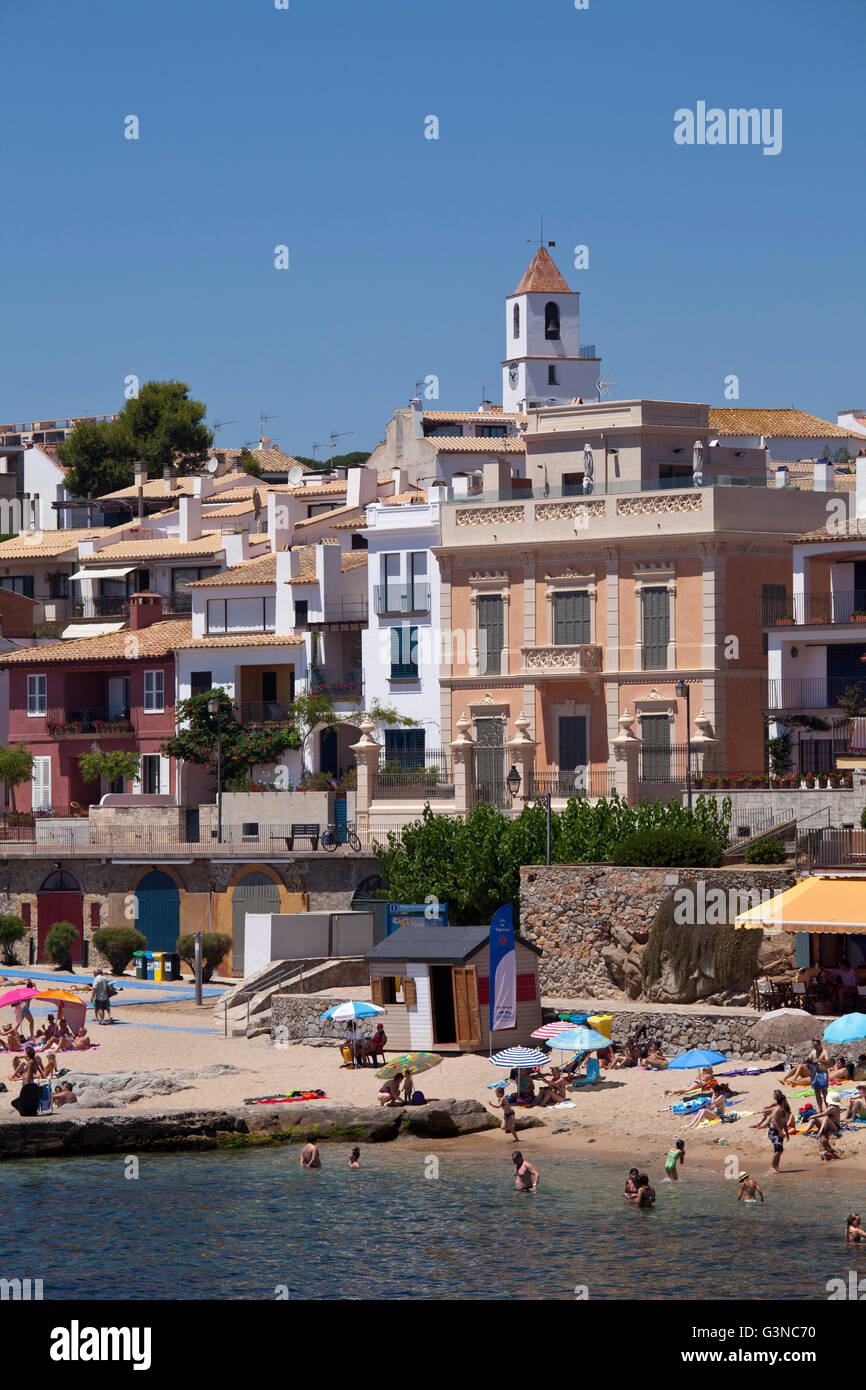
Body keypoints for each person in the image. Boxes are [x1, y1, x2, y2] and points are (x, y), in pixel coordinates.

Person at [807, 1039, 830, 1114]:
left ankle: (827, 1108)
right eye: (814, 1046)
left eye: (816, 1046)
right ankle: (820, 1109)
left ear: (819, 1044)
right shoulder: (813, 1052)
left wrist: (819, 1060)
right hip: (815, 1073)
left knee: (824, 1092)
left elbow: (827, 1061)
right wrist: (808, 1060)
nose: (815, 1047)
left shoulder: (824, 1052)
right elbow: (808, 1059)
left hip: (823, 1073)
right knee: (817, 1093)